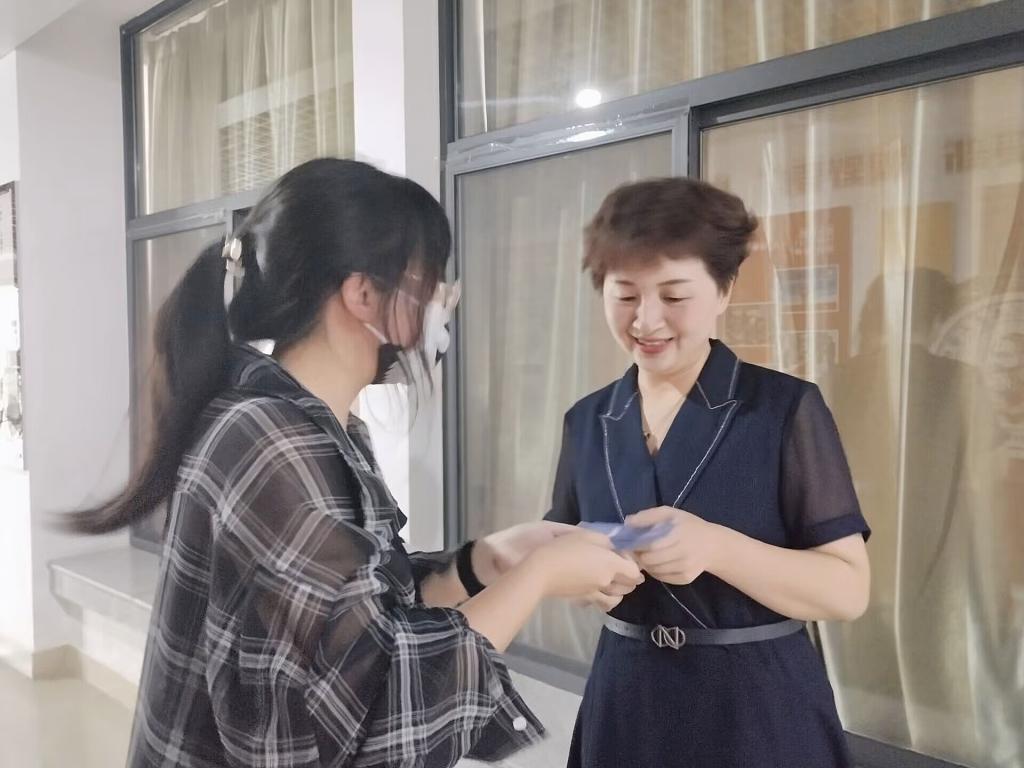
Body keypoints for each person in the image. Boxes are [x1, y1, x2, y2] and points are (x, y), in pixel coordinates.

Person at [66, 158, 642, 768]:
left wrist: (484, 563)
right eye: (428, 283)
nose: (441, 306)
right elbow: (370, 713)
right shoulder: (271, 442)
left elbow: (355, 620)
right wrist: (540, 577)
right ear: (363, 294)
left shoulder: (318, 425)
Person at [545, 177, 871, 767]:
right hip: (626, 701)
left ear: (724, 291)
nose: (646, 320)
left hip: (756, 708)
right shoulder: (588, 420)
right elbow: (562, 550)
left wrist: (717, 548)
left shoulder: (782, 409)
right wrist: (585, 580)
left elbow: (847, 590)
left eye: (674, 296)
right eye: (625, 295)